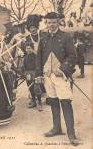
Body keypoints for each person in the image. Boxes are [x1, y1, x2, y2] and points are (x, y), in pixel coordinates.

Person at [35, 12, 79, 146]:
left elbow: (73, 56)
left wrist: (63, 69)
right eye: (49, 22)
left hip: (61, 75)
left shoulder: (65, 37)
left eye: (54, 22)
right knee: (53, 101)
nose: (51, 25)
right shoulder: (43, 38)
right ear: (46, 23)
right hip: (47, 75)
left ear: (58, 22)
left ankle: (71, 134)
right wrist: (38, 74)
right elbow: (39, 57)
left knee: (65, 102)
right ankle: (56, 128)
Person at [23, 44, 42, 111]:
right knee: (30, 88)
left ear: (32, 49)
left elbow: (38, 66)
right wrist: (26, 74)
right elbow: (24, 67)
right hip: (28, 74)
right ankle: (33, 100)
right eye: (27, 48)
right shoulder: (25, 58)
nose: (28, 50)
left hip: (36, 73)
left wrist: (37, 75)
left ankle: (39, 102)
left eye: (29, 48)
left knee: (37, 88)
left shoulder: (36, 57)